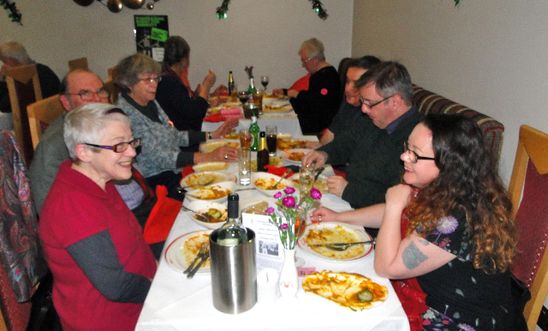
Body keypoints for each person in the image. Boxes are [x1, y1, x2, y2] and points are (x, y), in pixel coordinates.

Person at [312, 114, 518, 330]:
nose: (404, 157)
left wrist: (393, 205)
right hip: (428, 296)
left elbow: (386, 267)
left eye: (415, 155)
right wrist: (338, 217)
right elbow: (396, 213)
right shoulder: (444, 187)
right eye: (407, 148)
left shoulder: (455, 218)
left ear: (448, 164)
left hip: (457, 319)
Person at [39, 103, 157, 331]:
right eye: (119, 145)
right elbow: (116, 286)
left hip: (140, 302)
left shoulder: (101, 180)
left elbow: (133, 243)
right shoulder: (71, 206)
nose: (132, 152)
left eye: (131, 142)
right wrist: (162, 287)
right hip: (113, 320)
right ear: (83, 151)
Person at [29, 69, 155, 226]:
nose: (97, 100)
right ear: (66, 103)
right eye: (85, 94)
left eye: (101, 91)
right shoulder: (54, 146)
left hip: (146, 202)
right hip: (120, 221)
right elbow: (51, 213)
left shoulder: (108, 124)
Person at [303, 61, 422, 210]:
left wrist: (349, 191)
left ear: (395, 102)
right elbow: (347, 142)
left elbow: (398, 198)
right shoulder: (374, 120)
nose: (364, 109)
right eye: (363, 101)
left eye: (369, 103)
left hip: (368, 218)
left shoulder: (417, 139)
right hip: (346, 200)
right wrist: (325, 154)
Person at [114, 53, 238, 197]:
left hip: (174, 171)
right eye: (148, 79)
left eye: (156, 78)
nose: (154, 84)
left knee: (228, 179)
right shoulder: (125, 114)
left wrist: (211, 134)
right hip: (158, 182)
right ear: (129, 83)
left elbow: (173, 134)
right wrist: (206, 157)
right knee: (220, 191)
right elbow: (157, 158)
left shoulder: (150, 102)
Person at [274, 38, 341, 135]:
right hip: (311, 118)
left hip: (318, 124)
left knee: (277, 125)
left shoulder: (328, 77)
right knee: (278, 116)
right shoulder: (319, 75)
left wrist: (295, 94)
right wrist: (287, 94)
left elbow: (317, 102)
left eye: (305, 61)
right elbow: (310, 98)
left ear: (315, 60)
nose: (303, 65)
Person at [317, 55, 381, 146]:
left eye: (356, 84)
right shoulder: (347, 103)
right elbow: (329, 135)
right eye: (347, 81)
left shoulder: (373, 116)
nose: (347, 88)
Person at [156, 35, 216, 131]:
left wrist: (195, 96)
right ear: (184, 60)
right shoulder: (170, 82)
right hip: (181, 139)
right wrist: (207, 86)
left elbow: (182, 107)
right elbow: (194, 114)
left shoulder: (166, 78)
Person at [0, 41, 60, 113]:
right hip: (55, 118)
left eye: (4, 62)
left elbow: (4, 106)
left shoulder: (21, 79)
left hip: (36, 121)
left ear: (12, 60)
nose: (3, 67)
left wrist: (1, 80)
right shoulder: (44, 70)